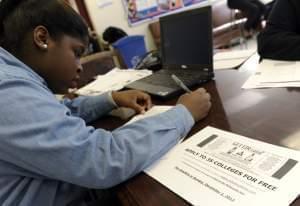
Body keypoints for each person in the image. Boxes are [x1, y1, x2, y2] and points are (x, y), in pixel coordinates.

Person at [0, 0, 211, 205]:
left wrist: (112, 98)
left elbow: (60, 112)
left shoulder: (15, 77)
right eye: (76, 52)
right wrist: (184, 113)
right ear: (42, 38)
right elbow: (102, 160)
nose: (79, 66)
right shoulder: (7, 89)